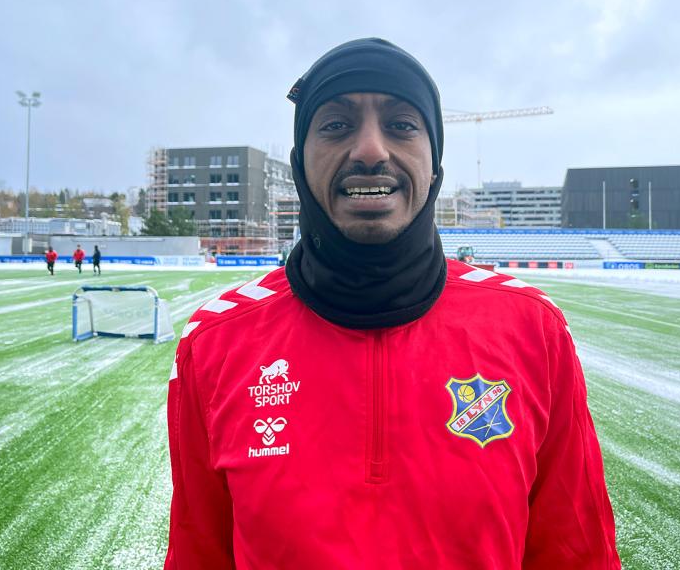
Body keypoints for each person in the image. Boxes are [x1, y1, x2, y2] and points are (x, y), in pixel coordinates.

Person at [165, 39, 621, 569]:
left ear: (435, 164)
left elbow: (577, 552)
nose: (370, 151)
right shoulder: (216, 343)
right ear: (298, 163)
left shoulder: (533, 330)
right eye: (336, 125)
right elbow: (199, 554)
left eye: (402, 125)